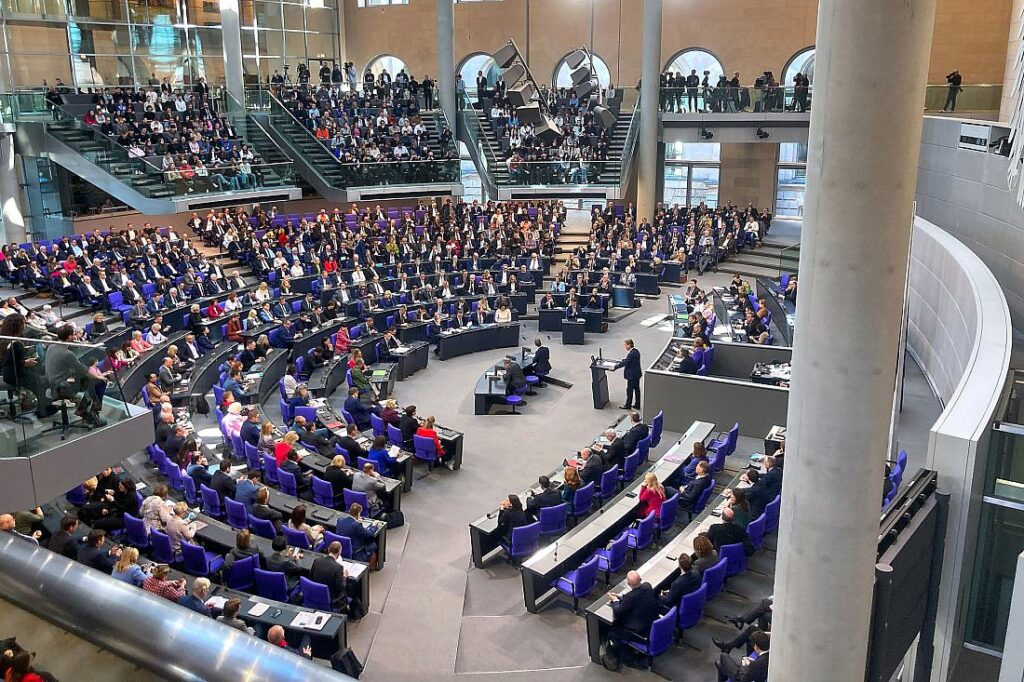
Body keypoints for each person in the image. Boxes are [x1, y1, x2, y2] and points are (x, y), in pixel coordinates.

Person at [45, 324, 107, 426]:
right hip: (62, 387)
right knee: (98, 382)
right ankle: (90, 413)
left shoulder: (51, 346)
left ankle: (85, 411)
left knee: (88, 381)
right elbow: (84, 370)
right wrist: (99, 377)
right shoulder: (67, 353)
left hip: (52, 382)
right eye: (73, 334)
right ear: (69, 337)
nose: (75, 336)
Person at [605, 571, 661, 663]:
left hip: (640, 632)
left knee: (612, 633)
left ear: (628, 584)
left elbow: (618, 611)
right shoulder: (647, 586)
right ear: (641, 579)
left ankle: (629, 659)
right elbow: (635, 599)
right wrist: (621, 597)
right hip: (651, 623)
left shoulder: (631, 597)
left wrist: (615, 600)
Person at [310, 540, 350, 609]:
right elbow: (341, 587)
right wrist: (344, 577)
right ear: (339, 553)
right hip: (330, 597)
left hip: (316, 593)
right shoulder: (338, 567)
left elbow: (311, 577)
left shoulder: (316, 561)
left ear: (328, 549)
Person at [612, 338, 642, 410]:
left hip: (632, 375)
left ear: (629, 345)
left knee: (629, 390)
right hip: (637, 374)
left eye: (625, 345)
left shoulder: (631, 354)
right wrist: (624, 360)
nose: (625, 347)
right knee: (637, 389)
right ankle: (637, 404)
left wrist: (615, 367)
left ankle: (628, 405)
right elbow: (630, 360)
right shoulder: (636, 351)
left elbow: (626, 363)